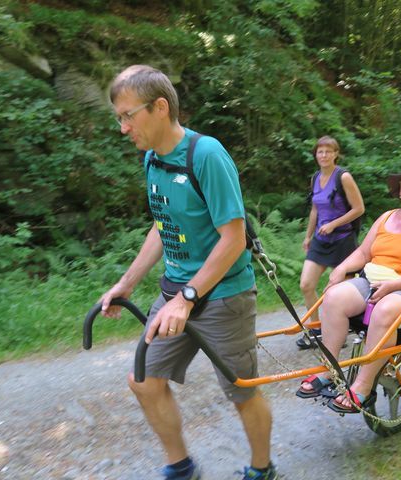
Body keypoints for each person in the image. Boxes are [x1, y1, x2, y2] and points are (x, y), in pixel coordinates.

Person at [99, 65, 275, 480]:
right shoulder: (152, 160)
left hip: (224, 296)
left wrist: (188, 297)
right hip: (177, 292)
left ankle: (262, 469)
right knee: (143, 380)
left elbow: (233, 239)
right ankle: (181, 467)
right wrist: (126, 284)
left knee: (242, 392)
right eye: (118, 118)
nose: (123, 128)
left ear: (160, 107)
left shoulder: (207, 155)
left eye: (128, 115)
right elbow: (163, 224)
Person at [296, 163, 401, 413]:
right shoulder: (387, 216)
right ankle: (330, 368)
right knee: (333, 297)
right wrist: (339, 270)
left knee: (384, 310)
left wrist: (394, 285)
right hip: (373, 280)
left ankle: (362, 386)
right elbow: (363, 252)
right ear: (399, 191)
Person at [297, 136, 365, 349]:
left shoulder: (343, 177)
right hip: (320, 239)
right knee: (306, 285)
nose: (324, 155)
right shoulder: (315, 178)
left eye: (328, 151)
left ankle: (339, 334)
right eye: (320, 151)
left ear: (336, 154)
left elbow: (358, 209)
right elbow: (315, 209)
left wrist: (334, 224)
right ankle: (316, 330)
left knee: (336, 293)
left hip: (343, 240)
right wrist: (308, 236)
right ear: (316, 155)